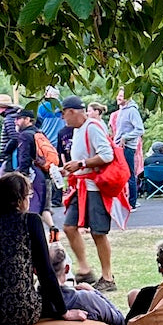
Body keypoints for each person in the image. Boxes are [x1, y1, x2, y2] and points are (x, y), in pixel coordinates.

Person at [0, 172, 80, 325]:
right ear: (19, 200)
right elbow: (45, 271)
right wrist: (63, 311)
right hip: (20, 313)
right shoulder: (30, 221)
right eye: (28, 196)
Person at [62, 95, 118, 291]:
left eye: (64, 114)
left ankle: (108, 277)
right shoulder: (78, 130)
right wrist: (70, 168)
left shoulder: (92, 127)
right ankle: (85, 270)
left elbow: (107, 155)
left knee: (98, 232)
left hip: (94, 187)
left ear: (72, 112)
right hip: (81, 185)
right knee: (69, 226)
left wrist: (81, 164)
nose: (63, 119)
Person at [49, 242, 126, 325]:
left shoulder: (36, 303)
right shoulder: (86, 299)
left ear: (35, 271)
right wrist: (95, 292)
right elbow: (120, 322)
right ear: (66, 268)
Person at [112, 89, 144, 210]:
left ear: (128, 98)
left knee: (129, 175)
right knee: (118, 174)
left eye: (121, 96)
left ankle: (132, 203)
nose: (118, 98)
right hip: (118, 146)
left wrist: (126, 137)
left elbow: (140, 129)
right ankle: (121, 200)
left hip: (127, 148)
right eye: (118, 95)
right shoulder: (121, 111)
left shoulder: (132, 111)